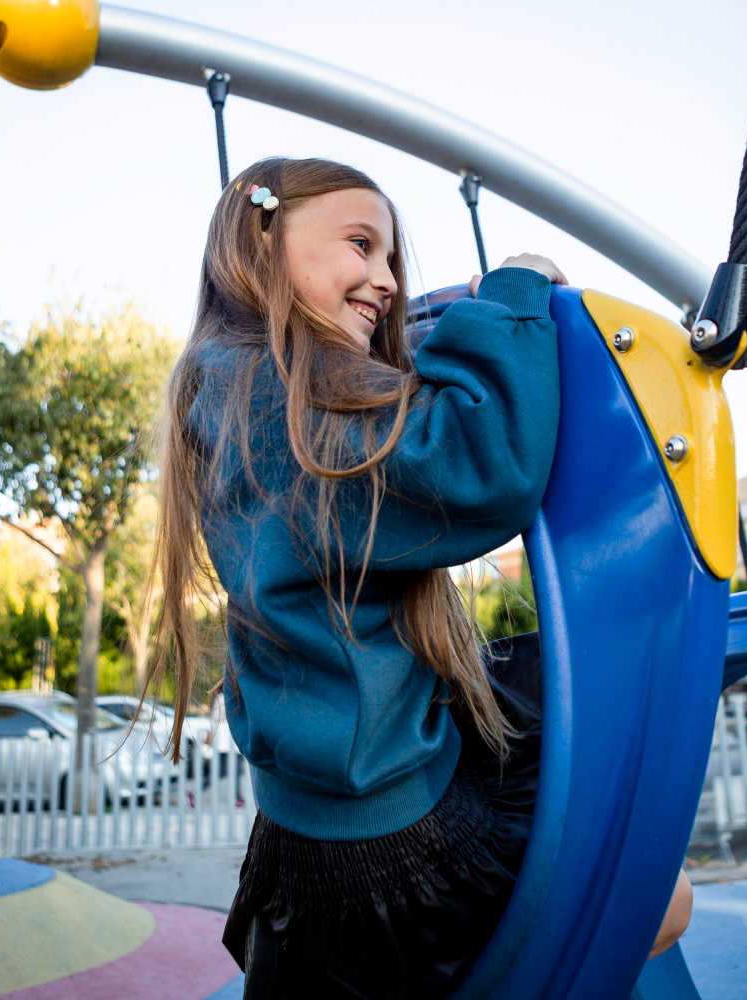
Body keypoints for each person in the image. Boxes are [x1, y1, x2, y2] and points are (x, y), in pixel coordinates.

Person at [149, 156, 691, 999]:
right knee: (666, 899)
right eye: (360, 245)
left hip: (308, 838)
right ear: (261, 240)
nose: (387, 280)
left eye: (394, 259)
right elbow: (480, 464)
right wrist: (513, 295)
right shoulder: (291, 401)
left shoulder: (222, 386)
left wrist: (448, 332)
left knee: (526, 678)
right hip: (399, 865)